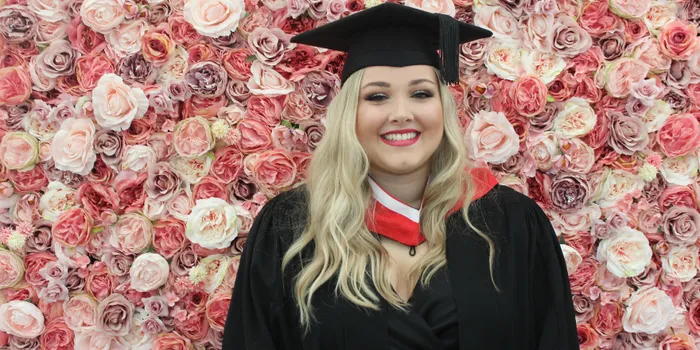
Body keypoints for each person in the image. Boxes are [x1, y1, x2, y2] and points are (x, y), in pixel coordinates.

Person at [222, 3, 579, 350]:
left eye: (421, 93)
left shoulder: (510, 223)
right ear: (350, 114)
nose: (401, 113)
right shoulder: (292, 227)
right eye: (377, 96)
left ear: (442, 106)